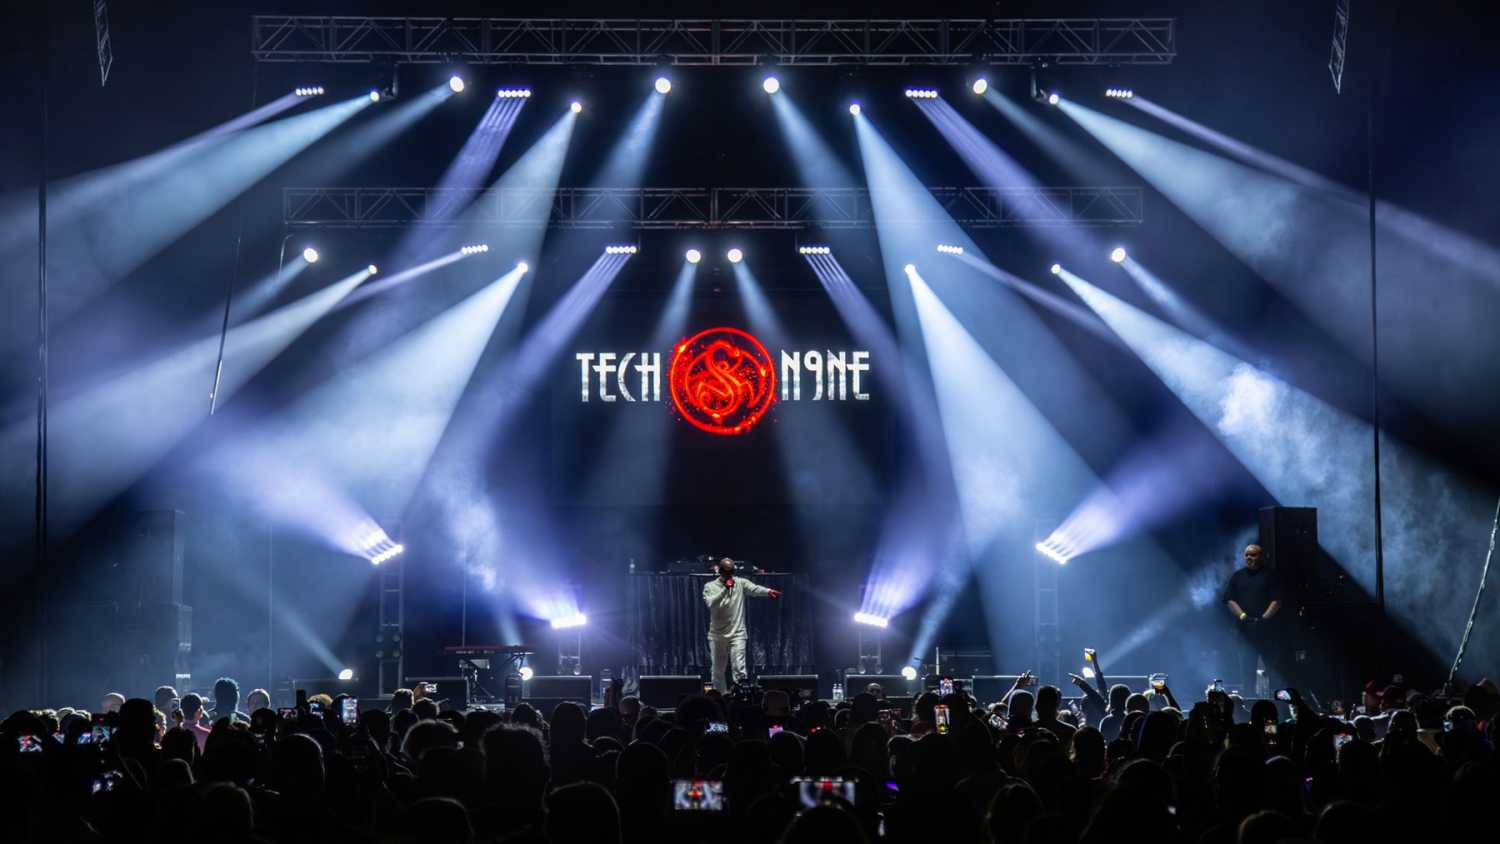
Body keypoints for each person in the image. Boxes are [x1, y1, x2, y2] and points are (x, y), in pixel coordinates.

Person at [702, 556, 781, 693]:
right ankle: (721, 698)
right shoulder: (710, 586)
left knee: (739, 668)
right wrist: (725, 589)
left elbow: (754, 589)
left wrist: (768, 592)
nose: (730, 575)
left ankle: (739, 697)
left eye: (732, 572)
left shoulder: (740, 582)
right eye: (727, 573)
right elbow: (711, 603)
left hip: (737, 633)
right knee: (717, 671)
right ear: (720, 571)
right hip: (717, 635)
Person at [1222, 543, 1282, 695]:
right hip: (1245, 633)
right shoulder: (1238, 576)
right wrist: (1243, 616)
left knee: (1274, 672)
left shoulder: (1270, 575)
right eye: (1247, 555)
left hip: (1268, 633)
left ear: (1260, 557)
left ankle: (1277, 707)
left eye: (1253, 555)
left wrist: (1263, 619)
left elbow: (1277, 600)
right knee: (1247, 674)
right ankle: (1249, 707)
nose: (1249, 558)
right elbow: (1229, 599)